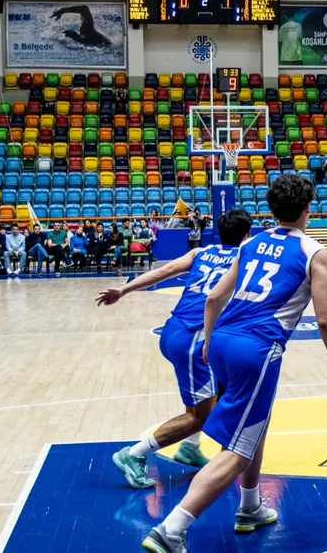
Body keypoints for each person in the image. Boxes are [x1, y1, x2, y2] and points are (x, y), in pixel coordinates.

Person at [139, 176, 327, 553]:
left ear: (271, 208)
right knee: (236, 451)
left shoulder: (251, 243)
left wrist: (211, 343)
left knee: (256, 423)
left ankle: (250, 507)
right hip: (257, 349)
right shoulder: (316, 252)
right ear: (309, 209)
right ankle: (172, 528)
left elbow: (214, 297)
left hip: (224, 341)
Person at [102, 209, 254, 489]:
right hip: (195, 340)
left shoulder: (201, 253)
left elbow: (164, 270)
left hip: (174, 328)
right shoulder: (246, 258)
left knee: (223, 386)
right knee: (200, 416)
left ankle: (190, 448)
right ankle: (134, 454)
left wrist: (124, 290)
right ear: (247, 235)